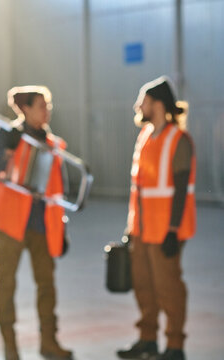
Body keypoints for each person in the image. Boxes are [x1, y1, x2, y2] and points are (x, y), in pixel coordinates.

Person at [0, 86, 72, 360]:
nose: (48, 110)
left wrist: (62, 229)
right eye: (42, 105)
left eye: (48, 104)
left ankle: (49, 343)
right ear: (27, 109)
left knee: (47, 284)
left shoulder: (52, 144)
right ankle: (10, 348)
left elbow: (59, 190)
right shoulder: (10, 137)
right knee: (6, 284)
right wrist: (5, 152)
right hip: (11, 224)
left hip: (43, 225)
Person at [117, 76, 196, 360]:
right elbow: (139, 189)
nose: (139, 105)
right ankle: (147, 339)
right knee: (144, 287)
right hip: (142, 228)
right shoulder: (145, 136)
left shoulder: (179, 140)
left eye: (144, 101)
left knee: (168, 288)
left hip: (166, 230)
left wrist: (174, 230)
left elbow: (181, 189)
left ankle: (175, 345)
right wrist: (131, 228)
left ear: (158, 104)